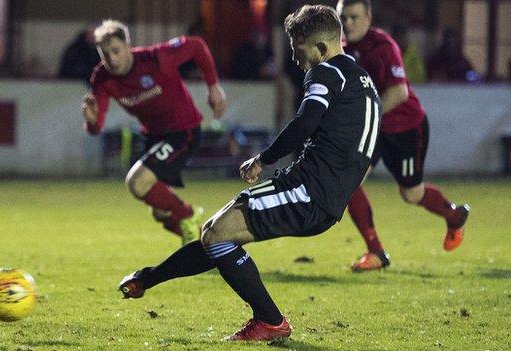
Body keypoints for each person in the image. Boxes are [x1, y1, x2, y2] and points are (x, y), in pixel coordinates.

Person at [119, 5, 381, 341]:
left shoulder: (326, 72)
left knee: (216, 233)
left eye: (299, 53)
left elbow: (305, 122)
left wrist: (264, 159)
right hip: (325, 200)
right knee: (216, 233)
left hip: (307, 190)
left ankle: (270, 321)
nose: (297, 62)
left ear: (321, 49)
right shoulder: (363, 82)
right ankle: (148, 279)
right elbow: (367, 147)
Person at [337, 0, 470, 272]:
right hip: (374, 130)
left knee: (411, 194)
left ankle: (454, 215)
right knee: (347, 182)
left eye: (353, 17)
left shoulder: (384, 47)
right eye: (343, 18)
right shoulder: (342, 48)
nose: (348, 23)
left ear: (368, 17)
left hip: (405, 128)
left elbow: (399, 93)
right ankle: (376, 251)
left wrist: (365, 118)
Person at [82, 20, 227, 245]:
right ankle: (201, 244)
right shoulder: (102, 77)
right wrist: (91, 122)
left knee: (137, 183)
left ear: (128, 46)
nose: (111, 59)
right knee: (160, 211)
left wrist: (213, 86)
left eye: (116, 51)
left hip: (183, 130)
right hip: (154, 137)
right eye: (105, 53)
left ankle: (188, 213)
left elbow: (196, 46)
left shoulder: (155, 58)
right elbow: (96, 127)